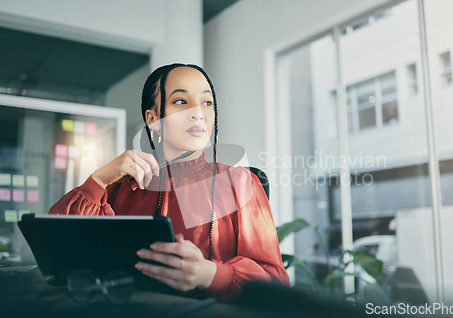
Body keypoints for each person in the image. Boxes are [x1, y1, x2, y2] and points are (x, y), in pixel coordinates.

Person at [49, 63, 289, 303]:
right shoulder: (121, 184)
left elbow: (275, 283)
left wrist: (210, 275)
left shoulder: (241, 183)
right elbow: (57, 250)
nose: (198, 113)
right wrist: (98, 180)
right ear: (153, 119)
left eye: (207, 103)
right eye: (181, 102)